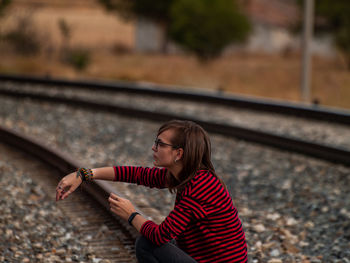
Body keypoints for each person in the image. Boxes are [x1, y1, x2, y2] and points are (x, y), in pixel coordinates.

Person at [56, 120, 248, 262]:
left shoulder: (201, 186)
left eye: (160, 144)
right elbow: (137, 174)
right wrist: (84, 174)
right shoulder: (186, 175)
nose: (153, 147)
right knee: (160, 241)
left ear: (178, 153)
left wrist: (131, 214)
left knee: (147, 243)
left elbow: (159, 235)